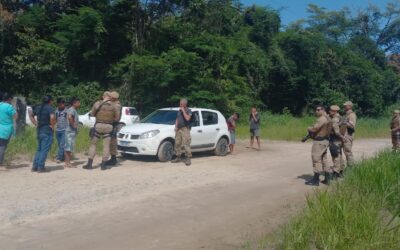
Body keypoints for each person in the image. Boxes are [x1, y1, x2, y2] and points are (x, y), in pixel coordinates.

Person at [83, 92, 118, 170]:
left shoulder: (98, 103)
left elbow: (92, 114)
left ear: (103, 96)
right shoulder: (114, 106)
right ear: (110, 97)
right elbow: (117, 118)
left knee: (93, 144)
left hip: (98, 126)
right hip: (109, 127)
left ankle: (89, 164)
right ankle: (103, 165)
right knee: (106, 146)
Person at [305, 106, 331, 186]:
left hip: (319, 141)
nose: (316, 111)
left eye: (318, 110)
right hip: (325, 141)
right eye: (316, 109)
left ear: (323, 110)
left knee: (316, 159)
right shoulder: (328, 118)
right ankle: (327, 179)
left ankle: (316, 180)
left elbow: (314, 129)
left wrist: (308, 128)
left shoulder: (322, 119)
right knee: (324, 159)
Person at [30, 95, 56, 173]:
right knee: (44, 150)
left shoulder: (38, 107)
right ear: (50, 101)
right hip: (47, 129)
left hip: (39, 129)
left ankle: (35, 166)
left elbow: (31, 115)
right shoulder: (50, 108)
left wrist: (35, 124)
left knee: (39, 149)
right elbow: (52, 117)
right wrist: (52, 126)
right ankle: (40, 167)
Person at [171, 98, 192, 166]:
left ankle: (188, 158)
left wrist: (183, 111)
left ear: (184, 104)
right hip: (179, 129)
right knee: (177, 143)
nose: (179, 105)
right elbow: (177, 118)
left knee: (186, 143)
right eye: (180, 104)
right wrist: (176, 126)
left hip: (185, 128)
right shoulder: (179, 111)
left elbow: (187, 118)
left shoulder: (189, 110)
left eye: (181, 104)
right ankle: (178, 157)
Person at [328, 105, 347, 179]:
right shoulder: (342, 118)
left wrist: (342, 137)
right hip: (340, 140)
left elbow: (336, 131)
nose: (329, 111)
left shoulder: (335, 119)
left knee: (335, 156)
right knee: (340, 155)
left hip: (335, 139)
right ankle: (341, 171)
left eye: (331, 110)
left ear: (335, 111)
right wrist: (343, 137)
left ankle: (335, 173)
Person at [0, 93, 18, 169]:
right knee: (2, 147)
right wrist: (15, 110)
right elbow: (15, 117)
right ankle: (0, 164)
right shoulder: (9, 106)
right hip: (6, 129)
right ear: (9, 99)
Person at [64, 97, 80, 168]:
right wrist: (74, 125)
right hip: (70, 131)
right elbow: (70, 117)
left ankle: (67, 162)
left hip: (70, 131)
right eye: (78, 102)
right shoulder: (71, 110)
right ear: (74, 103)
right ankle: (68, 163)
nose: (79, 104)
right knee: (68, 147)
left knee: (69, 147)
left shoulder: (72, 110)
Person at [107, 91, 122, 166]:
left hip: (114, 125)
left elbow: (117, 118)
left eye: (110, 96)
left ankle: (113, 159)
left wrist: (108, 120)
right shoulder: (114, 104)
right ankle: (113, 158)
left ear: (113, 98)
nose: (109, 97)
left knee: (113, 142)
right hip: (112, 125)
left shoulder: (116, 106)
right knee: (111, 142)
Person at [340, 101, 357, 167]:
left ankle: (351, 167)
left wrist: (345, 122)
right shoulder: (346, 114)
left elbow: (352, 126)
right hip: (343, 135)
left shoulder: (352, 115)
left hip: (348, 135)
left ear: (350, 106)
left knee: (348, 152)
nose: (344, 107)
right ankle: (342, 167)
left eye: (345, 105)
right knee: (343, 151)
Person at [55, 98, 68, 163]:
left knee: (62, 144)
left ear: (63, 104)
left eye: (61, 104)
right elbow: (55, 119)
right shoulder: (56, 110)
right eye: (58, 104)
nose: (59, 106)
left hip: (64, 130)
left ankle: (59, 158)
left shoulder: (67, 111)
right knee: (59, 144)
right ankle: (62, 157)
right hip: (58, 130)